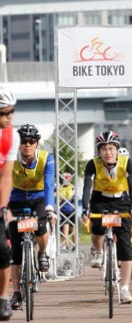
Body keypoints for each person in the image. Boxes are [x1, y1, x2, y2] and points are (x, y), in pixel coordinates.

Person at [81, 131, 132, 304]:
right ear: (99, 151)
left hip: (121, 200)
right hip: (100, 199)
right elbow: (87, 186)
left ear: (117, 149)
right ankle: (98, 251)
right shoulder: (93, 164)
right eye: (104, 148)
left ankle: (125, 289)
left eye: (111, 148)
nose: (108, 152)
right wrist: (85, 208)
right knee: (96, 226)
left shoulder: (127, 163)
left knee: (126, 245)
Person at [8, 124, 55, 310]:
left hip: (38, 197)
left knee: (41, 225)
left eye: (31, 141)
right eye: (23, 141)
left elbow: (49, 184)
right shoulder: (9, 158)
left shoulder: (46, 158)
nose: (27, 145)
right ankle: (16, 293)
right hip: (16, 198)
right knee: (15, 252)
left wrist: (50, 208)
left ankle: (42, 253)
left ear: (37, 144)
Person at [0, 88, 18, 320]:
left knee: (3, 249)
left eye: (12, 112)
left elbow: (7, 177)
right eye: (4, 113)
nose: (9, 118)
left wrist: (3, 207)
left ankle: (3, 299)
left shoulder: (11, 136)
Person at [58, 172, 76, 251]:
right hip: (68, 210)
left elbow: (59, 201)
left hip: (67, 210)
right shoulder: (71, 187)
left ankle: (70, 244)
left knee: (69, 228)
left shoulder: (61, 188)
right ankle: (70, 244)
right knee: (69, 228)